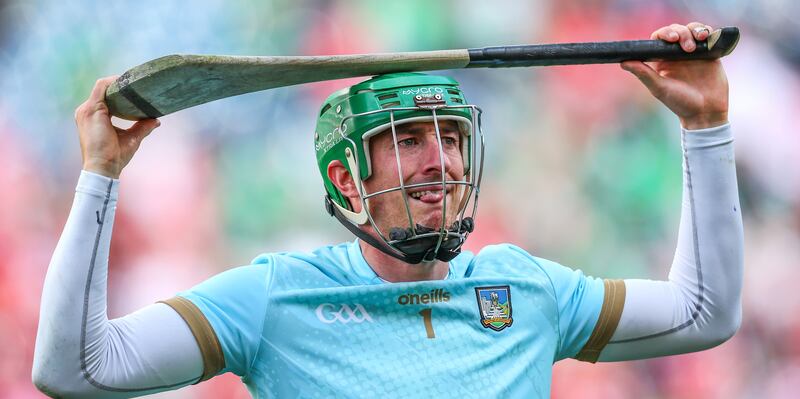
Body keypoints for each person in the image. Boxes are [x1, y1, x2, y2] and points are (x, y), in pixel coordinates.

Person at [33, 22, 743, 398]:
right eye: (407, 140)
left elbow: (705, 310)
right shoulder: (273, 298)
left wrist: (705, 125)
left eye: (452, 138)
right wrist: (101, 174)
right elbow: (76, 369)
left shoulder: (528, 290)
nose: (442, 161)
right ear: (345, 178)